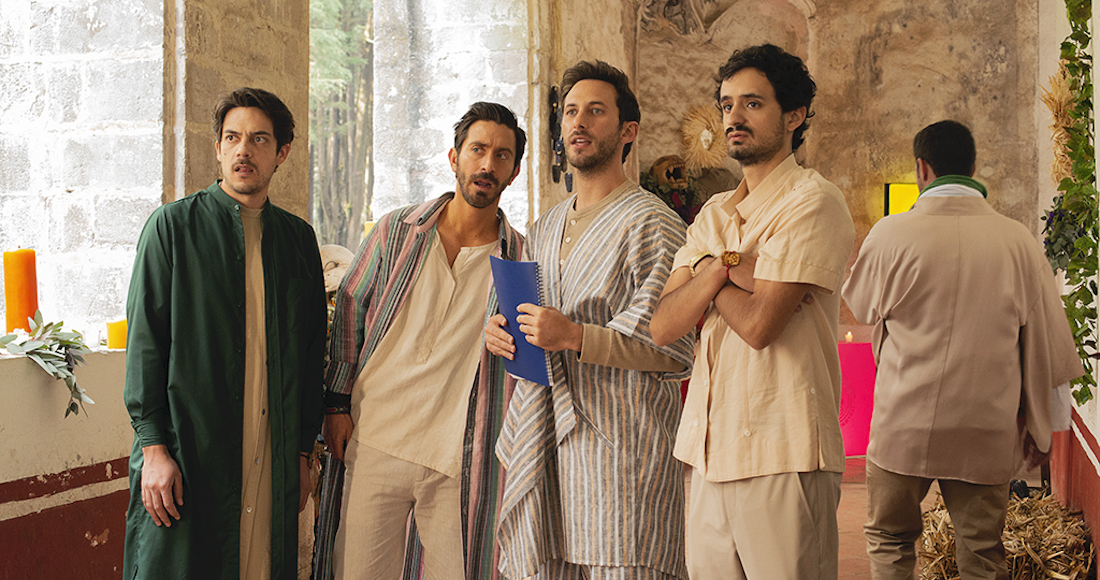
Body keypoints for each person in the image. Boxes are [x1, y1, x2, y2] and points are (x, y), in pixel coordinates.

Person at [842, 120, 1084, 580]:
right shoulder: (1018, 240)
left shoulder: (891, 233)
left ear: (922, 168)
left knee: (890, 540)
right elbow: (1050, 340)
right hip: (985, 427)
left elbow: (861, 308)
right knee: (982, 552)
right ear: (973, 168)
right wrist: (1046, 428)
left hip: (903, 425)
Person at [650, 44, 854, 580]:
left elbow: (760, 325)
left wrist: (707, 268)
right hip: (710, 451)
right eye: (727, 105)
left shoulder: (813, 201)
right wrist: (729, 269)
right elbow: (664, 324)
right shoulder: (714, 211)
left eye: (753, 104)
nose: (733, 118)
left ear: (794, 116)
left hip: (784, 448)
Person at [488, 60, 695, 579]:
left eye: (596, 111)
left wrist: (576, 336)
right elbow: (532, 317)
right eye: (571, 111)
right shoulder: (545, 225)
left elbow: (674, 346)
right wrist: (503, 332)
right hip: (549, 451)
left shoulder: (654, 224)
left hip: (623, 455)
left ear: (628, 131)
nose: (578, 122)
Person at [123, 87, 327, 580]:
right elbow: (146, 345)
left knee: (259, 564)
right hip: (190, 449)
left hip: (272, 451)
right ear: (217, 148)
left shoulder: (298, 240)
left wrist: (302, 453)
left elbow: (310, 354)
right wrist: (154, 450)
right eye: (232, 138)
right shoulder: (172, 228)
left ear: (281, 153)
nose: (243, 150)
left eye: (259, 139)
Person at [322, 101, 526, 579]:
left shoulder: (518, 261)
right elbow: (350, 310)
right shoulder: (396, 232)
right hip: (376, 436)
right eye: (477, 150)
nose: (487, 164)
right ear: (454, 158)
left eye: (501, 155)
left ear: (514, 172)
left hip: (458, 456)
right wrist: (335, 404)